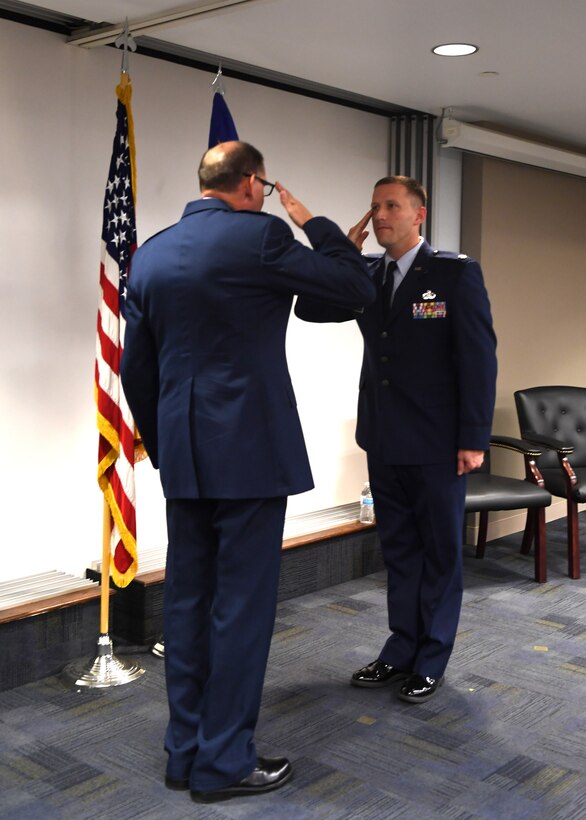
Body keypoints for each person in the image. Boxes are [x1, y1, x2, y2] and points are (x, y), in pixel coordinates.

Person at [120, 141, 375, 802]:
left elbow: (136, 369)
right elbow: (354, 286)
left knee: (187, 602)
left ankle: (184, 752)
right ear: (252, 183)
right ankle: (224, 760)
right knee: (240, 609)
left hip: (184, 455)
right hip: (250, 455)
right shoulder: (260, 238)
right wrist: (314, 225)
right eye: (264, 187)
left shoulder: (148, 255)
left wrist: (162, 440)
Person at [295, 175, 497, 703]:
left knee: (439, 553)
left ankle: (431, 657)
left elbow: (477, 358)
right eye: (374, 206)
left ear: (418, 215)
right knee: (401, 551)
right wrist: (343, 253)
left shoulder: (453, 274)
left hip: (437, 442)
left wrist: (473, 436)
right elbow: (310, 308)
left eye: (391, 206)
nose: (380, 214)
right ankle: (399, 649)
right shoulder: (364, 274)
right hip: (383, 437)